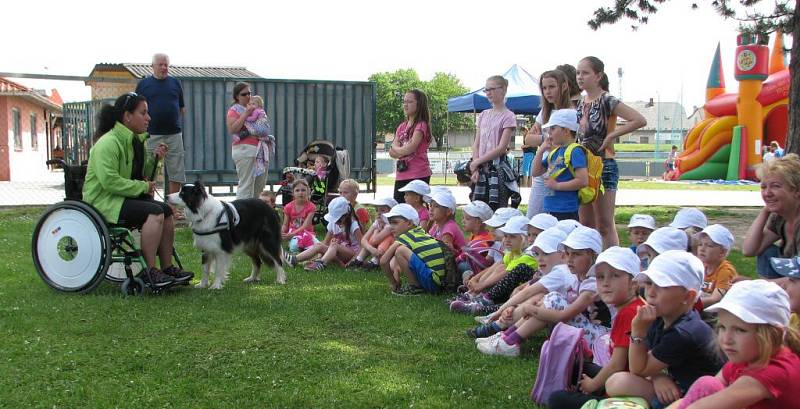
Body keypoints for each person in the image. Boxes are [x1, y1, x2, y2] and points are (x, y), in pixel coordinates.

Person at [82, 92, 193, 287]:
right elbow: (109, 181)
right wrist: (142, 186)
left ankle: (167, 268)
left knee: (166, 211)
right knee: (156, 212)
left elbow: (140, 174)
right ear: (127, 116)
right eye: (143, 113)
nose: (148, 118)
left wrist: (155, 160)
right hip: (104, 202)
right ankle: (150, 271)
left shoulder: (133, 141)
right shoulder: (108, 143)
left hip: (120, 198)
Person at [605, 251, 723, 409]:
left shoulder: (684, 332)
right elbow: (644, 363)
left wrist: (637, 331)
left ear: (687, 297)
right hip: (676, 388)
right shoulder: (661, 317)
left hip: (700, 400)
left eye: (661, 286)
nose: (651, 293)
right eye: (649, 283)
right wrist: (657, 376)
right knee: (616, 382)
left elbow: (637, 368)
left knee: (619, 382)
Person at [477, 227, 609, 357]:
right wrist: (536, 306)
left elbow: (563, 316)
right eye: (568, 253)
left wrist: (531, 309)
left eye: (577, 254)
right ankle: (507, 338)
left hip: (601, 341)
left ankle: (509, 341)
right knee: (548, 299)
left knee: (553, 299)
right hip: (587, 331)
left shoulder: (592, 284)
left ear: (594, 256)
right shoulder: (576, 278)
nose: (569, 259)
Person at [675, 280, 800, 409]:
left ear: (775, 334)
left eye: (740, 330)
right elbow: (708, 389)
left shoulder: (775, 372)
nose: (726, 339)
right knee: (707, 384)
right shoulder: (750, 355)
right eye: (722, 327)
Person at [548, 246, 646, 408]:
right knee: (574, 366)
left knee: (556, 399)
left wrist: (592, 385)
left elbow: (617, 364)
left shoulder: (629, 313)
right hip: (622, 378)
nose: (606, 283)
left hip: (625, 389)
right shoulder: (633, 307)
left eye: (615, 276)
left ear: (633, 284)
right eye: (600, 277)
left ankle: (597, 401)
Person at [576, 56, 647, 249]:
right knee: (586, 224)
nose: (580, 77)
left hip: (604, 165)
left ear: (598, 76)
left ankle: (612, 260)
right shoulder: (581, 102)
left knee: (604, 224)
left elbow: (639, 120)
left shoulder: (607, 100)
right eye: (578, 73)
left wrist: (611, 136)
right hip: (583, 166)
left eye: (585, 73)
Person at [468, 227, 572, 338]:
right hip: (562, 319)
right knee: (537, 298)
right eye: (537, 254)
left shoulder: (560, 271)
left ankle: (501, 331)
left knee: (538, 297)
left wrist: (499, 312)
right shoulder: (556, 270)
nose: (539, 259)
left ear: (563, 255)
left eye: (545, 254)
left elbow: (526, 292)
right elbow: (526, 291)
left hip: (571, 324)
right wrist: (514, 306)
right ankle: (504, 332)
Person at [450, 216, 538, 316]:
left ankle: (481, 300)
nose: (507, 240)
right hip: (508, 291)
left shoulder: (528, 256)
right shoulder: (512, 252)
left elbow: (506, 273)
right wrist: (476, 279)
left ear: (524, 238)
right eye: (505, 236)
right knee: (500, 266)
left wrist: (480, 286)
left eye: (512, 236)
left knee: (500, 269)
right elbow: (496, 265)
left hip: (515, 293)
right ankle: (475, 295)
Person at [526, 69, 577, 218]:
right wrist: (546, 139)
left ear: (564, 86)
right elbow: (528, 139)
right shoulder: (545, 112)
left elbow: (568, 143)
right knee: (533, 216)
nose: (547, 92)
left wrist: (543, 138)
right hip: (542, 167)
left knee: (558, 217)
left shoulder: (571, 113)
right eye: (544, 88)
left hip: (561, 171)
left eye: (552, 87)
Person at [135, 53, 186, 198]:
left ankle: (173, 208)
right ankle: (149, 205)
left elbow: (182, 108)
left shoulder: (176, 83)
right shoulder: (143, 85)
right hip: (151, 134)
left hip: (174, 134)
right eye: (160, 65)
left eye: (166, 65)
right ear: (152, 66)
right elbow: (136, 110)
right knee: (149, 172)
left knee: (176, 173)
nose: (164, 67)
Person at [743, 154, 800, 278]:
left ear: (796, 190)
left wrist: (758, 286)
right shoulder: (780, 217)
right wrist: (765, 211)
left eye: (775, 186)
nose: (767, 193)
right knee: (766, 251)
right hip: (792, 282)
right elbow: (750, 250)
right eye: (763, 187)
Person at [470, 75, 518, 210]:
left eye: (492, 89)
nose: (488, 93)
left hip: (497, 169)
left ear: (503, 90)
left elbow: (502, 147)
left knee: (497, 209)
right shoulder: (483, 114)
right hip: (480, 168)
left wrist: (477, 162)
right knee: (477, 210)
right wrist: (475, 165)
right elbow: (477, 143)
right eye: (486, 90)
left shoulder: (508, 116)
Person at [380, 203, 449, 296]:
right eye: (390, 223)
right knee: (401, 250)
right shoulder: (419, 232)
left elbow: (384, 261)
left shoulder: (406, 237)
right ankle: (417, 286)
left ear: (409, 223)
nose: (391, 226)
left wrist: (393, 282)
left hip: (433, 282)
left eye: (395, 222)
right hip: (441, 282)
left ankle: (415, 288)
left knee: (400, 251)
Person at [532, 109, 587, 221]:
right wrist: (541, 151)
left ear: (566, 131)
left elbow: (583, 181)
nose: (549, 133)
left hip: (566, 209)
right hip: (551, 207)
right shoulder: (555, 152)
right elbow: (535, 172)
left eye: (553, 128)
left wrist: (557, 186)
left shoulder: (575, 151)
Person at [285, 196, 362, 271]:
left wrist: (352, 262)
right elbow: (325, 242)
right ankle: (294, 260)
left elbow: (362, 247)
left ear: (346, 215)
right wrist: (319, 256)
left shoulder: (353, 225)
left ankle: (321, 263)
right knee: (319, 245)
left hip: (351, 255)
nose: (336, 222)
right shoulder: (333, 223)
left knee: (334, 245)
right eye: (335, 220)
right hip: (336, 254)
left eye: (338, 220)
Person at [390, 89, 432, 204]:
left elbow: (411, 148)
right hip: (401, 175)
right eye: (404, 102)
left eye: (409, 102)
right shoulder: (401, 127)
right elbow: (391, 152)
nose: (405, 105)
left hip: (418, 174)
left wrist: (398, 149)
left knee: (416, 210)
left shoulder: (421, 125)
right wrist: (401, 150)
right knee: (399, 208)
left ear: (419, 104)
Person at [227, 82, 268, 200]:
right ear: (237, 97)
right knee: (246, 185)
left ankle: (253, 212)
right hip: (245, 149)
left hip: (260, 149)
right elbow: (232, 129)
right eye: (244, 94)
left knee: (259, 186)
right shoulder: (234, 110)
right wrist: (246, 113)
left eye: (249, 93)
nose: (248, 96)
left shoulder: (257, 108)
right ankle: (242, 214)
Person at [695, 224, 737, 308]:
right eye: (700, 244)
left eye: (709, 246)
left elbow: (715, 299)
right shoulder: (700, 265)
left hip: (716, 312)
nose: (702, 249)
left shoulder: (725, 271)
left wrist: (688, 305)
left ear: (722, 252)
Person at [349, 197, 398, 270]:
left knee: (388, 238)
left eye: (383, 210)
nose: (379, 213)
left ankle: (375, 262)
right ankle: (359, 259)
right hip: (377, 247)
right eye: (377, 210)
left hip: (391, 250)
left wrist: (376, 232)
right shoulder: (378, 222)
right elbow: (363, 240)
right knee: (369, 239)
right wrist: (371, 249)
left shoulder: (390, 225)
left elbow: (375, 240)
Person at [240, 95, 275, 178]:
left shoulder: (257, 111)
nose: (251, 106)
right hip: (265, 129)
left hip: (260, 127)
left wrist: (245, 118)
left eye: (253, 104)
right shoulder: (262, 111)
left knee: (248, 125)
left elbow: (252, 119)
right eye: (250, 104)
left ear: (258, 105)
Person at [281, 179, 318, 254]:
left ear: (308, 191)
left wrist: (292, 234)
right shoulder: (288, 207)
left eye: (303, 190)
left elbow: (305, 226)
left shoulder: (311, 207)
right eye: (297, 190)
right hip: (293, 233)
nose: (300, 193)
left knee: (317, 246)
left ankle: (306, 250)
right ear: (293, 193)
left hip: (307, 232)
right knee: (294, 248)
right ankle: (299, 247)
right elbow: (285, 224)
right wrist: (282, 234)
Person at [427, 189, 466, 255]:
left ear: (448, 211)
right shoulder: (436, 226)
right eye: (430, 205)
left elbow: (445, 253)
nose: (431, 209)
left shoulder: (449, 228)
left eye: (436, 206)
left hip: (456, 262)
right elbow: (428, 240)